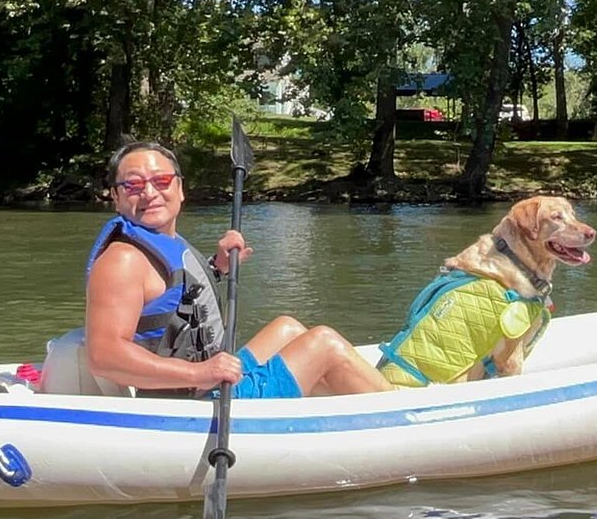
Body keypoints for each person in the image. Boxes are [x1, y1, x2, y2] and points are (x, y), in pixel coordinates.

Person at [84, 140, 395, 399]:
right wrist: (200, 373)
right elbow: (105, 356)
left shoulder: (161, 239)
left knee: (287, 328)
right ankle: (398, 410)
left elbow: (169, 297)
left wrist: (215, 268)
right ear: (116, 196)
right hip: (197, 399)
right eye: (133, 185)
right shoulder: (122, 260)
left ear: (179, 188)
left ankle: (343, 397)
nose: (149, 193)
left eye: (161, 181)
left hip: (208, 379)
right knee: (325, 343)